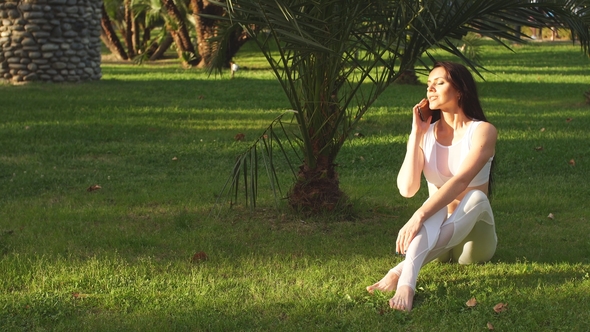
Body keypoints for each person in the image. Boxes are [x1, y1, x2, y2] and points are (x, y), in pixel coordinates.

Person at [366, 61, 498, 312]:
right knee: (435, 203)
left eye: (439, 83)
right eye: (428, 85)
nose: (430, 90)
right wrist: (416, 133)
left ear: (460, 90)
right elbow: (407, 189)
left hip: (472, 244)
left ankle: (400, 274)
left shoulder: (483, 131)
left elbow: (460, 181)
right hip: (437, 232)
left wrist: (418, 216)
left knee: (476, 199)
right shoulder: (427, 134)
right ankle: (407, 284)